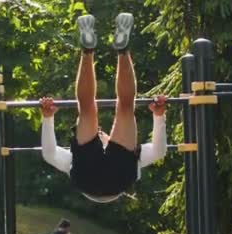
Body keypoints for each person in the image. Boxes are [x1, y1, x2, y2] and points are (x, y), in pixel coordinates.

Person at [40, 13, 168, 203]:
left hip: (110, 179)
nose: (102, 134)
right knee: (89, 108)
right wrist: (47, 118)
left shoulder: (72, 161)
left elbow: (159, 151)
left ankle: (117, 51)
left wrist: (159, 116)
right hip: (99, 180)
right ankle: (91, 51)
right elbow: (49, 154)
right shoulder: (71, 160)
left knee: (114, 107)